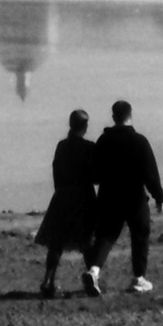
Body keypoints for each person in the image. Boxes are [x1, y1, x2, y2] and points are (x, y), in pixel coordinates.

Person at [84, 99, 163, 294]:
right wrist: (159, 197)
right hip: (134, 197)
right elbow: (150, 173)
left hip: (109, 196)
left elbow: (94, 174)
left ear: (113, 117)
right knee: (140, 234)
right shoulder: (139, 141)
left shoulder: (104, 141)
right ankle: (138, 278)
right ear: (130, 116)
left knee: (106, 235)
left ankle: (93, 271)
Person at [35, 109, 97, 299]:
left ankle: (48, 280)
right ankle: (93, 279)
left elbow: (56, 172)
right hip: (84, 198)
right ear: (85, 127)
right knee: (87, 242)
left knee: (56, 244)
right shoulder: (89, 147)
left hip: (62, 197)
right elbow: (95, 176)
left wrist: (60, 191)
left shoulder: (61, 146)